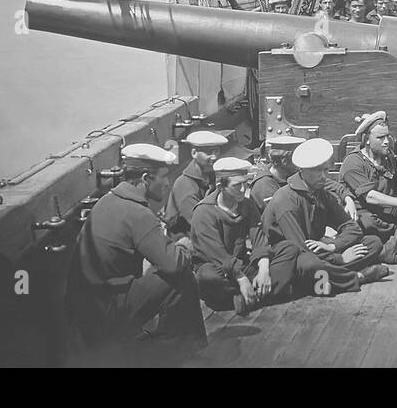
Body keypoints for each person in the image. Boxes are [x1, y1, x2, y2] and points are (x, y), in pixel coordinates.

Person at [65, 144, 206, 350]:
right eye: (163, 177)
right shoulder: (138, 214)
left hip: (83, 310)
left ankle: (170, 340)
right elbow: (173, 264)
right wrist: (184, 247)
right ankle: (184, 350)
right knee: (180, 274)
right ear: (146, 179)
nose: (168, 183)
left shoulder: (107, 200)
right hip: (106, 314)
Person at [262, 138, 386, 275]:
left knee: (373, 243)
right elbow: (300, 248)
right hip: (290, 257)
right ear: (302, 170)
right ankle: (355, 276)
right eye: (317, 171)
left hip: (319, 250)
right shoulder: (286, 199)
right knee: (309, 264)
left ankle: (335, 274)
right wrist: (341, 258)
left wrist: (332, 246)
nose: (323, 176)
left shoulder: (321, 194)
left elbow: (353, 228)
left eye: (326, 170)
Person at [338, 111, 397, 263]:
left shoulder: (388, 157)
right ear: (367, 140)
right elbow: (370, 196)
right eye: (380, 138)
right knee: (367, 223)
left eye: (387, 136)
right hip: (365, 211)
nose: (386, 141)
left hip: (388, 209)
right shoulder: (353, 162)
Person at [191, 157, 278, 314]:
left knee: (287, 251)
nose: (244, 190)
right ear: (220, 186)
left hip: (242, 263)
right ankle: (256, 294)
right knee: (206, 277)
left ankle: (241, 298)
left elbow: (259, 239)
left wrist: (264, 270)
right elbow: (217, 254)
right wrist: (242, 279)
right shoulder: (204, 212)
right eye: (237, 185)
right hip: (217, 267)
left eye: (246, 183)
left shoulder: (247, 205)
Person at [163, 130, 228, 236]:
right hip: (188, 241)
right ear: (194, 153)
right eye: (209, 152)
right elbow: (200, 224)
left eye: (216, 151)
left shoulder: (210, 175)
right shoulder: (185, 185)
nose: (214, 157)